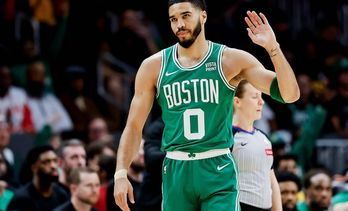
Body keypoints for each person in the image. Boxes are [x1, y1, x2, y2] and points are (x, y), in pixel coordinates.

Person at [114, 0, 300, 210]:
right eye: (173, 19)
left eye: (186, 16)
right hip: (176, 167)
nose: (179, 25)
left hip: (217, 165)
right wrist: (121, 172)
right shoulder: (153, 66)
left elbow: (290, 94)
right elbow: (134, 126)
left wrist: (273, 48)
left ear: (203, 16)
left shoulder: (229, 59)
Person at [231, 80, 282, 211]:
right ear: (237, 101)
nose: (261, 102)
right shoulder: (227, 136)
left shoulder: (264, 138)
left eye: (261, 96)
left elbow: (271, 181)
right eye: (255, 97)